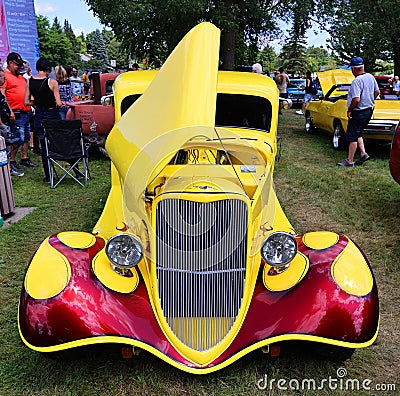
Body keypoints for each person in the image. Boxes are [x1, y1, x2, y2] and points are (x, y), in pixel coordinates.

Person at [336, 57, 379, 167]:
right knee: (358, 132)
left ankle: (349, 161)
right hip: (369, 110)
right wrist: (370, 99)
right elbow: (377, 91)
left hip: (359, 112)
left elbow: (356, 99)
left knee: (352, 136)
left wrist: (350, 109)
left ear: (353, 69)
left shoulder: (356, 81)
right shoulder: (370, 77)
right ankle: (363, 153)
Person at [24, 57, 62, 182]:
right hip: (52, 114)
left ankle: (48, 176)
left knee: (44, 145)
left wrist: (36, 103)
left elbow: (26, 101)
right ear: (48, 69)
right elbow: (59, 103)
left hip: (39, 115)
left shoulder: (30, 81)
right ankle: (77, 172)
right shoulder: (52, 82)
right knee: (60, 141)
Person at [0, 52, 37, 174]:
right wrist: (9, 110)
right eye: (17, 65)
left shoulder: (20, 76)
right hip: (15, 113)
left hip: (25, 111)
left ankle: (24, 158)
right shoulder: (4, 76)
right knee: (16, 138)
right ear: (10, 63)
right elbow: (2, 95)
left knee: (25, 136)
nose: (19, 67)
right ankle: (11, 161)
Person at [0, 68, 24, 177]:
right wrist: (1, 124)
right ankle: (5, 172)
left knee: (9, 146)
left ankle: (8, 170)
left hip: (6, 122)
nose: (4, 79)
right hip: (2, 125)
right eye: (2, 77)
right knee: (4, 148)